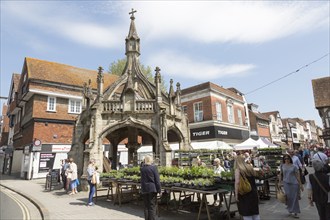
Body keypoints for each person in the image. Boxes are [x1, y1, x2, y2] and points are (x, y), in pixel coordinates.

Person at [234, 155, 260, 220]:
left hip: (244, 193)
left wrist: (236, 195)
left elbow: (237, 183)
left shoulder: (238, 170)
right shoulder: (250, 167)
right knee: (255, 212)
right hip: (253, 192)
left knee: (246, 213)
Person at [140, 155, 161, 220]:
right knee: (152, 206)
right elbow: (157, 180)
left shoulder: (142, 169)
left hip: (145, 189)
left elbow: (142, 179)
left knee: (146, 206)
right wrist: (159, 190)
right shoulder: (154, 168)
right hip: (152, 188)